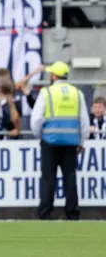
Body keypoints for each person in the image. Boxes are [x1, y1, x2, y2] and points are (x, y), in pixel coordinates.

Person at [30, 61, 90, 220]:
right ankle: (72, 213)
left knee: (48, 178)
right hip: (70, 143)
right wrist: (81, 141)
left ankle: (45, 212)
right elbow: (84, 121)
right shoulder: (77, 93)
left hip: (49, 142)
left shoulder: (46, 92)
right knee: (70, 177)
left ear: (54, 75)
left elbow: (36, 119)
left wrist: (39, 136)